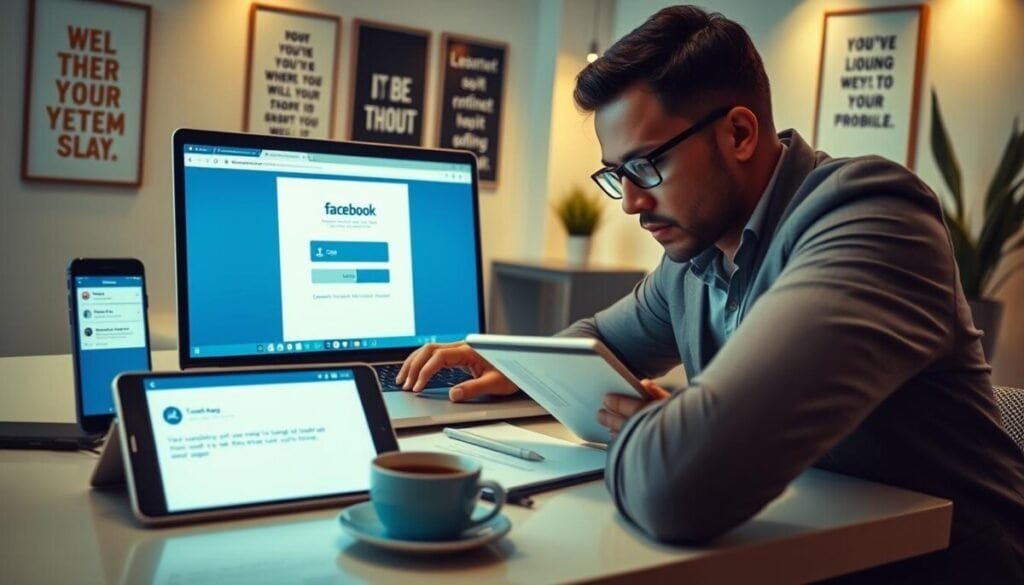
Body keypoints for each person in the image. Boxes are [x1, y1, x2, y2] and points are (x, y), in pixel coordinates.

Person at [397, 5, 1024, 582]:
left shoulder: (874, 220)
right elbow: (595, 344)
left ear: (741, 134)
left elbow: (679, 488)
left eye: (645, 167)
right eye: (618, 176)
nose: (633, 203)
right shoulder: (696, 259)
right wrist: (506, 360)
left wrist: (662, 433)